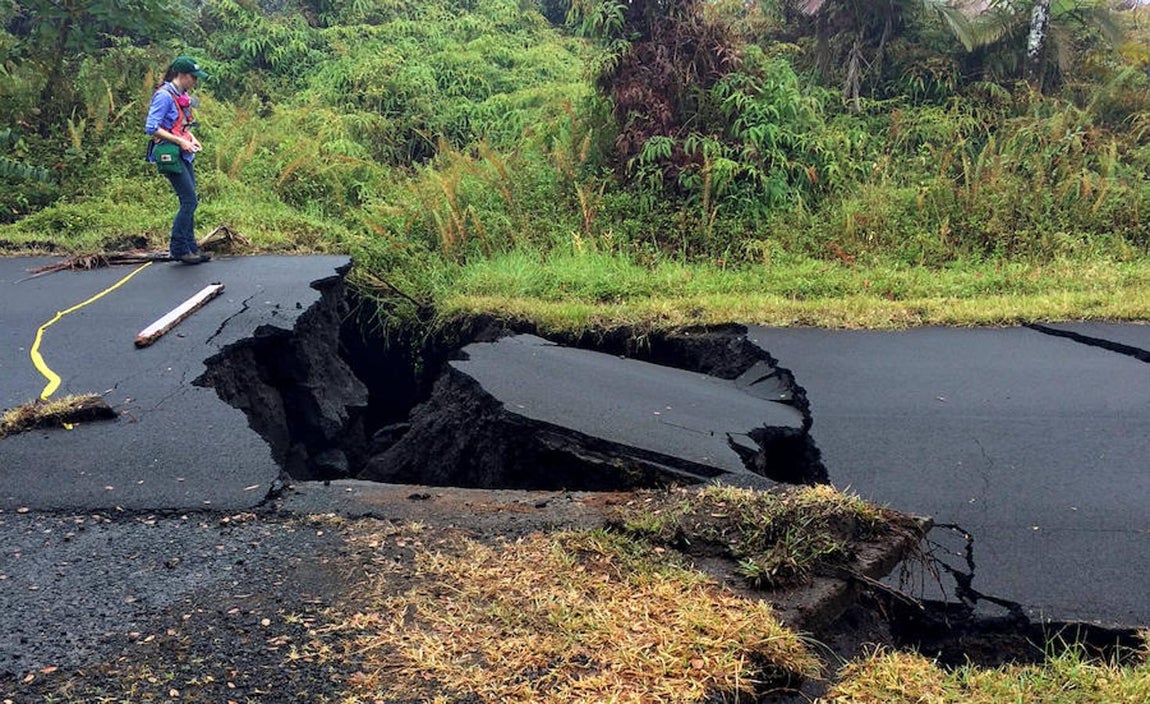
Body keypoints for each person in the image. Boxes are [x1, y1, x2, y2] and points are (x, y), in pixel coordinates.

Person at [146, 56, 210, 264]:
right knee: (189, 200)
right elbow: (151, 127)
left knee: (191, 200)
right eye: (193, 77)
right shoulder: (164, 96)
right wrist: (180, 142)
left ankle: (191, 248)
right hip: (170, 153)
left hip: (184, 152)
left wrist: (191, 138)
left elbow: (181, 125)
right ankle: (179, 248)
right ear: (181, 75)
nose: (195, 82)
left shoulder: (182, 95)